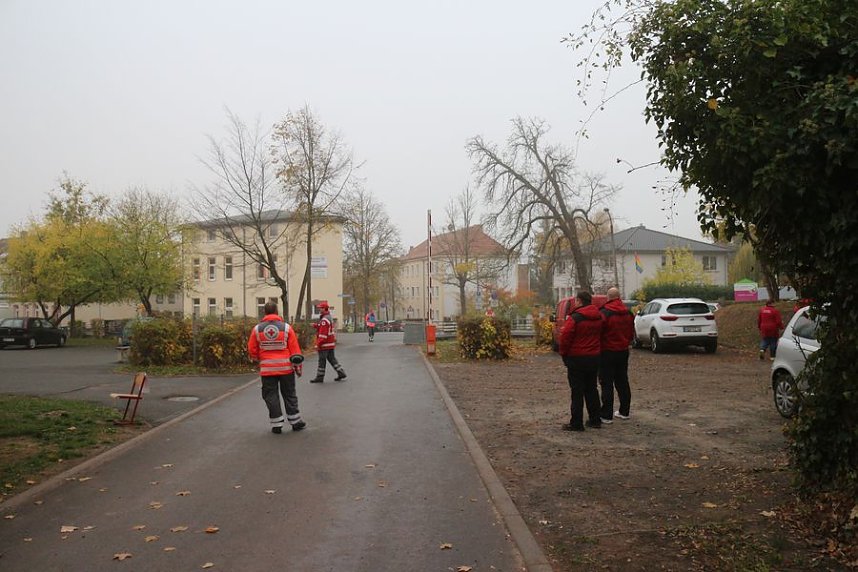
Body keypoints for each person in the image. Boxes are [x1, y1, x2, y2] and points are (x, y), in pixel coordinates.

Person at [247, 301, 306, 433]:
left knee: (271, 396)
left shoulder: (257, 329)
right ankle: (295, 421)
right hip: (286, 369)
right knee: (289, 394)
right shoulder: (286, 328)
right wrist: (298, 368)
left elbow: (252, 349)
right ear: (277, 312)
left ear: (264, 312)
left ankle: (277, 424)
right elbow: (295, 350)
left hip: (267, 370)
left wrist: (258, 359)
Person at [558, 291, 604, 431]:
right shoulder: (599, 316)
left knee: (577, 391)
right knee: (592, 389)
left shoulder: (575, 318)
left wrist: (564, 354)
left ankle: (576, 423)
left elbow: (565, 337)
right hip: (594, 357)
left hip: (576, 358)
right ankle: (595, 419)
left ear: (579, 301)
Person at [598, 287, 635, 423]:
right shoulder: (628, 312)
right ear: (619, 297)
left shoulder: (604, 313)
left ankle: (606, 415)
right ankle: (624, 411)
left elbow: (599, 332)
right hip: (623, 351)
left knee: (606, 383)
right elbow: (631, 331)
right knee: (622, 381)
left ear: (608, 297)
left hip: (607, 351)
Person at [311, 301, 347, 382]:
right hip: (330, 343)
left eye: (321, 308)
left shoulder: (324, 320)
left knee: (322, 361)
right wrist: (315, 325)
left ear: (324, 308)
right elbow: (325, 327)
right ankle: (341, 372)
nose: (319, 309)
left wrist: (318, 344)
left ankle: (320, 377)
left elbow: (323, 335)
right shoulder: (328, 317)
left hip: (325, 345)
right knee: (332, 359)